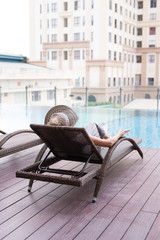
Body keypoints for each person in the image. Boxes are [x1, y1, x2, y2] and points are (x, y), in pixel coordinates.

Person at [47, 105, 126, 148]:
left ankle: (103, 131)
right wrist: (119, 134)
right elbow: (109, 143)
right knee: (96, 125)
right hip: (85, 148)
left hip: (67, 150)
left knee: (92, 124)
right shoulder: (80, 135)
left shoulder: (52, 136)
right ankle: (104, 132)